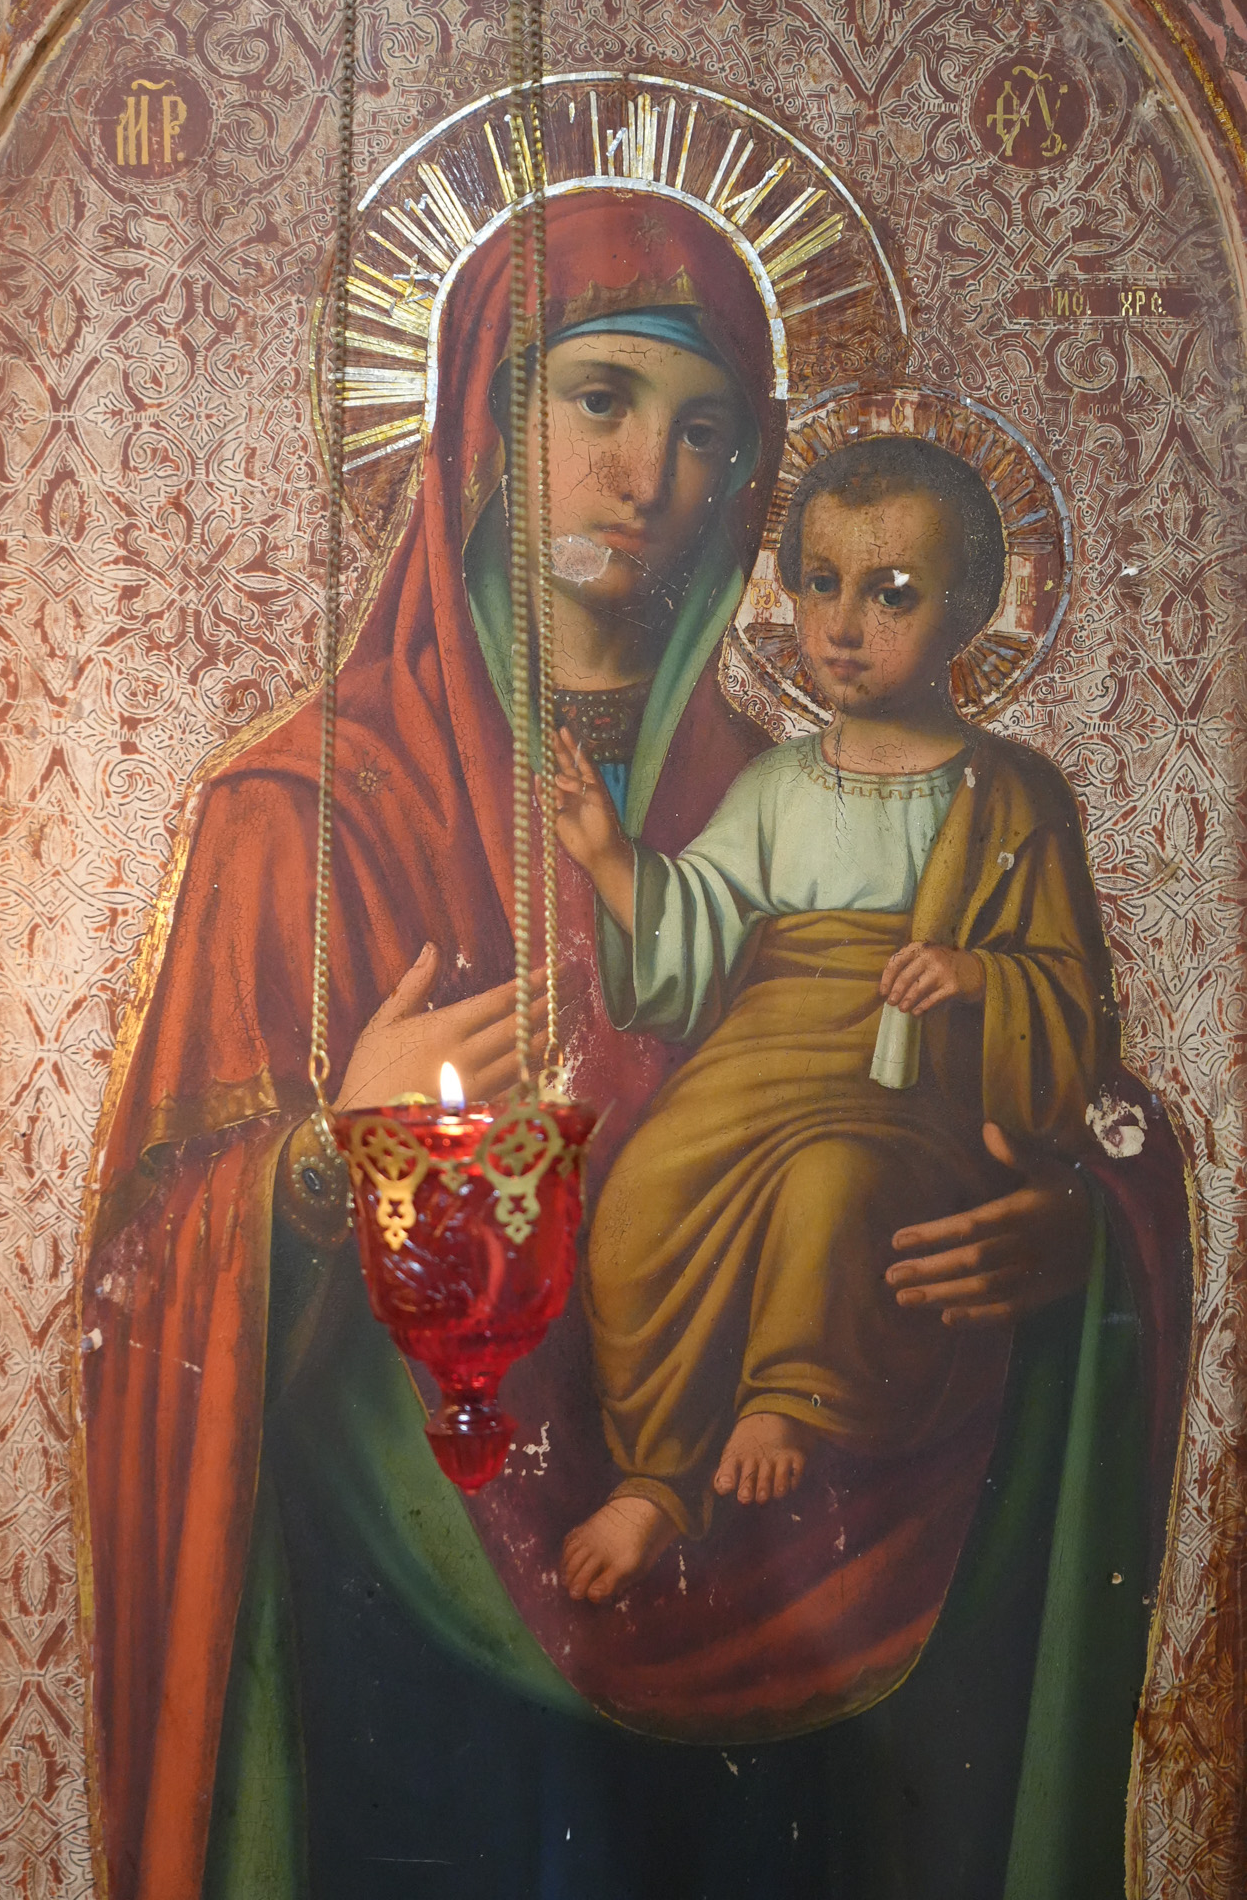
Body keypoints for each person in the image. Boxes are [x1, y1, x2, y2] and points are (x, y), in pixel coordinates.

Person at [77, 189, 1187, 1900]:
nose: (648, 474)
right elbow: (145, 1272)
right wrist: (322, 1159)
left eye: (704, 431)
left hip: (793, 1614)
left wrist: (1065, 1247)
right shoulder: (303, 810)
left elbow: (1057, 1124)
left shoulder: (792, 798)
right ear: (485, 427)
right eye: (599, 400)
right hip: (414, 1652)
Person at [553, 436, 1119, 1607]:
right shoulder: (776, 784)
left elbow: (1067, 994)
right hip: (761, 1053)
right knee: (641, 1195)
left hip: (903, 1083)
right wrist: (613, 861)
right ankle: (656, 1474)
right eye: (820, 583)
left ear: (967, 607)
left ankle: (787, 1397)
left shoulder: (1011, 796)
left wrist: (977, 977)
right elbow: (700, 918)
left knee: (834, 1184)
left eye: (890, 593)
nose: (843, 624)